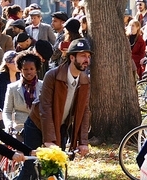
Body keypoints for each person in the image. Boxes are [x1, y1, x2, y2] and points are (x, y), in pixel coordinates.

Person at [19, 38, 92, 179]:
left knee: (55, 170)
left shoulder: (84, 80)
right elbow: (45, 107)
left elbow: (84, 111)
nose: (86, 60)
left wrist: (83, 142)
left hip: (60, 127)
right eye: (83, 55)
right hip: (37, 125)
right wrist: (49, 139)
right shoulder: (52, 75)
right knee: (29, 170)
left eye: (88, 56)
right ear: (72, 57)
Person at [2, 51, 43, 137]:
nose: (29, 72)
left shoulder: (43, 86)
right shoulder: (12, 88)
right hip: (19, 131)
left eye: (31, 69)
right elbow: (7, 111)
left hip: (40, 130)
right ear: (20, 69)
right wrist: (9, 125)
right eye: (25, 69)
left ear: (36, 69)